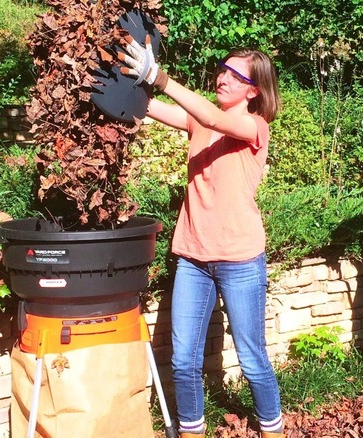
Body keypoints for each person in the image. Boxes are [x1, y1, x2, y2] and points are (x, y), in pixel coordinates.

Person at [120, 38, 285, 438]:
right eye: (222, 69)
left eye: (235, 74)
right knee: (183, 360)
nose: (222, 77)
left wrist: (158, 77)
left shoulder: (253, 126)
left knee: (251, 357)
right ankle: (191, 430)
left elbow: (213, 119)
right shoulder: (200, 118)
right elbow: (146, 107)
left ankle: (273, 429)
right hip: (193, 256)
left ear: (253, 90)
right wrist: (118, 75)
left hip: (240, 258)